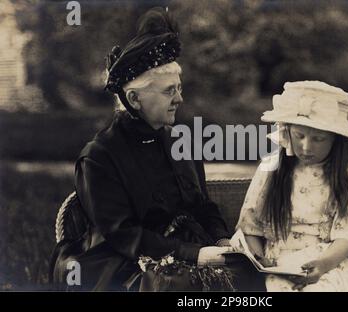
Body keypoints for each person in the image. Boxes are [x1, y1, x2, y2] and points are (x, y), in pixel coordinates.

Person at [50, 8, 239, 291]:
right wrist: (195, 255)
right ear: (134, 99)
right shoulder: (99, 157)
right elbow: (123, 235)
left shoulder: (180, 142)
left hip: (184, 252)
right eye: (168, 91)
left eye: (179, 88)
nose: (180, 99)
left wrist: (224, 243)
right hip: (123, 263)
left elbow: (202, 206)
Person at [236, 81, 348, 291]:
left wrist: (323, 265)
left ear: (336, 140)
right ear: (286, 132)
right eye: (299, 136)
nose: (306, 147)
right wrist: (260, 259)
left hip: (327, 262)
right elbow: (250, 227)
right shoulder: (271, 168)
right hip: (278, 264)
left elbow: (347, 237)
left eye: (318, 139)